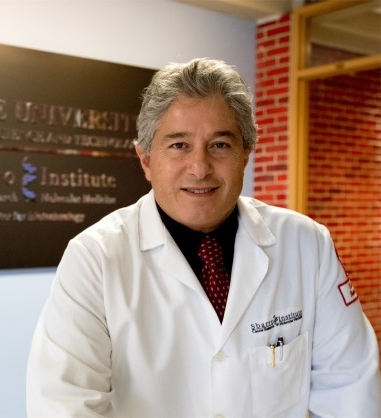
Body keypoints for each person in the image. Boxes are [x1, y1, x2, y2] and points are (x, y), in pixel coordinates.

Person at [26, 57, 381, 417]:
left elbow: (351, 386)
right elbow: (63, 403)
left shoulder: (307, 244)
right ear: (146, 160)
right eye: (179, 145)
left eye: (220, 145)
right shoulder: (94, 258)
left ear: (245, 155)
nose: (200, 168)